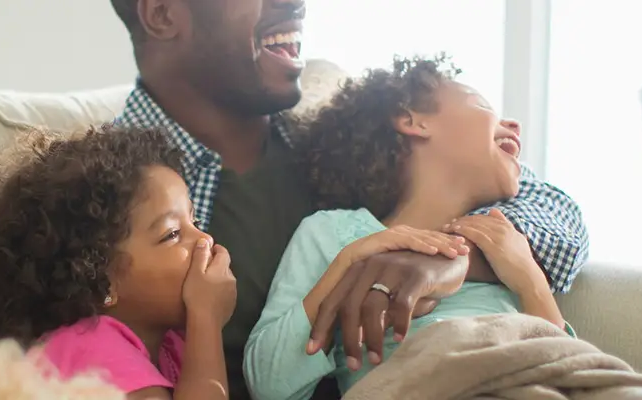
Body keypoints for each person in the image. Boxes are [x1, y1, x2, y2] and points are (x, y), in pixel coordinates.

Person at [0, 1, 589, 398]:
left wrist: (454, 257)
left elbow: (554, 208)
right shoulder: (92, 197)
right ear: (164, 12)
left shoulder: (336, 155)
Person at [244, 55, 578, 399]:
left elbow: (568, 372)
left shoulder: (503, 239)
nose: (515, 125)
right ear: (412, 120)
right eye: (480, 103)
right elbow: (268, 384)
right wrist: (346, 265)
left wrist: (531, 280)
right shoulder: (332, 233)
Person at [0, 125, 238, 398]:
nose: (205, 239)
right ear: (102, 281)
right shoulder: (89, 347)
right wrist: (206, 318)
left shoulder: (169, 345)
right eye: (172, 234)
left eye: (195, 220)